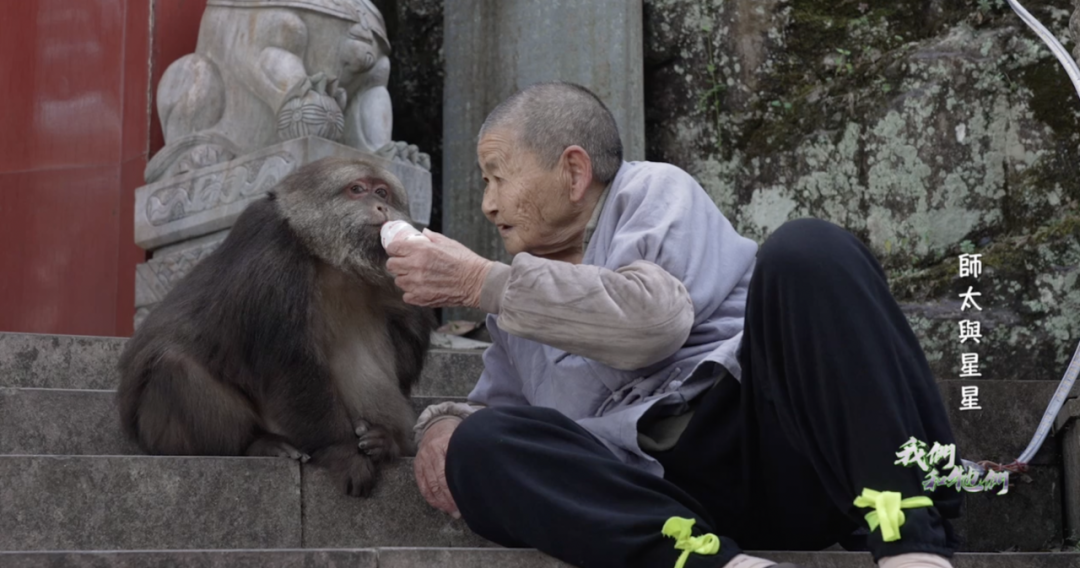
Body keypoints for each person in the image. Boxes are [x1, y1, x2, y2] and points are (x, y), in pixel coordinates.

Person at [385, 82, 962, 568]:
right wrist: (442, 425)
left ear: (574, 171)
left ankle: (909, 540)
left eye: (497, 177)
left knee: (808, 250)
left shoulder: (651, 192)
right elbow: (502, 417)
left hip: (774, 437)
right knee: (480, 447)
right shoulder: (511, 304)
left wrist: (478, 282)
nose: (488, 204)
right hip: (668, 495)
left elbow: (652, 324)